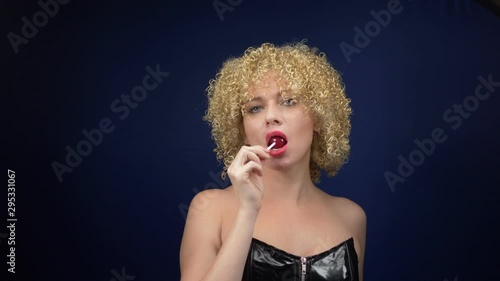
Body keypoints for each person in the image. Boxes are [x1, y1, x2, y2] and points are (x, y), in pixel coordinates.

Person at [179, 40, 366, 281]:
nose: (271, 117)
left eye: (289, 101)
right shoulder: (209, 209)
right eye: (255, 108)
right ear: (242, 129)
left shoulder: (351, 217)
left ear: (318, 118)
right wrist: (248, 211)